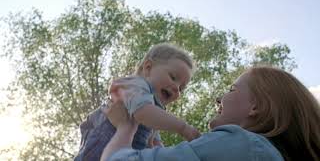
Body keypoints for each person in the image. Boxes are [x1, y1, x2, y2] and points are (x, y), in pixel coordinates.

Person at [101, 66, 320, 161]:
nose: (219, 98)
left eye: (232, 90)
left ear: (257, 106)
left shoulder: (243, 145)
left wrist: (125, 128)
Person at [74, 43, 200, 161]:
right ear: (148, 68)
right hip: (100, 149)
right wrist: (183, 128)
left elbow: (153, 141)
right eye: (173, 77)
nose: (176, 88)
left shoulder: (155, 111)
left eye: (181, 88)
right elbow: (143, 112)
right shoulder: (136, 86)